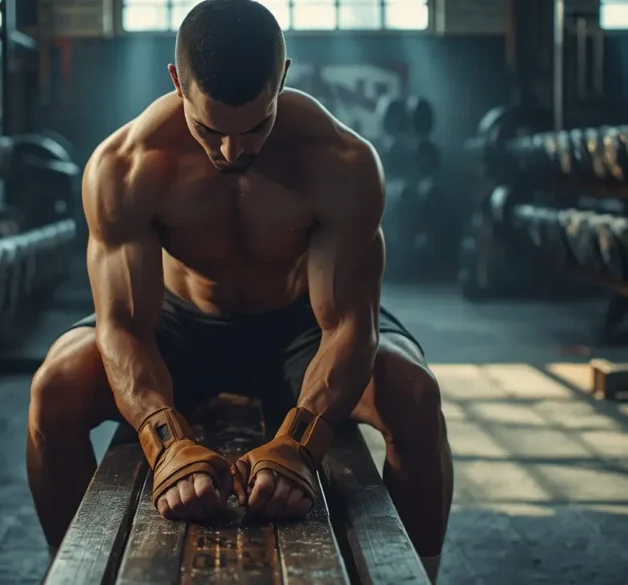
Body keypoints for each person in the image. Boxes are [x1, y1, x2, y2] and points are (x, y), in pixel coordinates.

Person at [26, 0, 453, 581]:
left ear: (282, 79)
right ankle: (71, 574)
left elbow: (349, 326)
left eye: (256, 127)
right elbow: (123, 326)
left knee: (415, 395)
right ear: (178, 83)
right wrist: (165, 441)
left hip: (300, 324)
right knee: (55, 388)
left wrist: (300, 442)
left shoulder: (342, 161)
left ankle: (420, 575)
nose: (233, 152)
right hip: (180, 321)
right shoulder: (127, 165)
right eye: (210, 129)